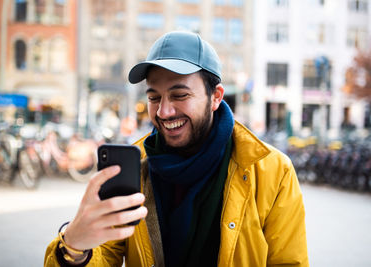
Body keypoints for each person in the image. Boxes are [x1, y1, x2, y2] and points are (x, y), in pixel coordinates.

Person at [44, 31, 309, 267]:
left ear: (215, 96)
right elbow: (106, 254)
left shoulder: (272, 170)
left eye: (180, 95)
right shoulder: (133, 169)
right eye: (153, 97)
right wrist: (75, 247)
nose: (164, 111)